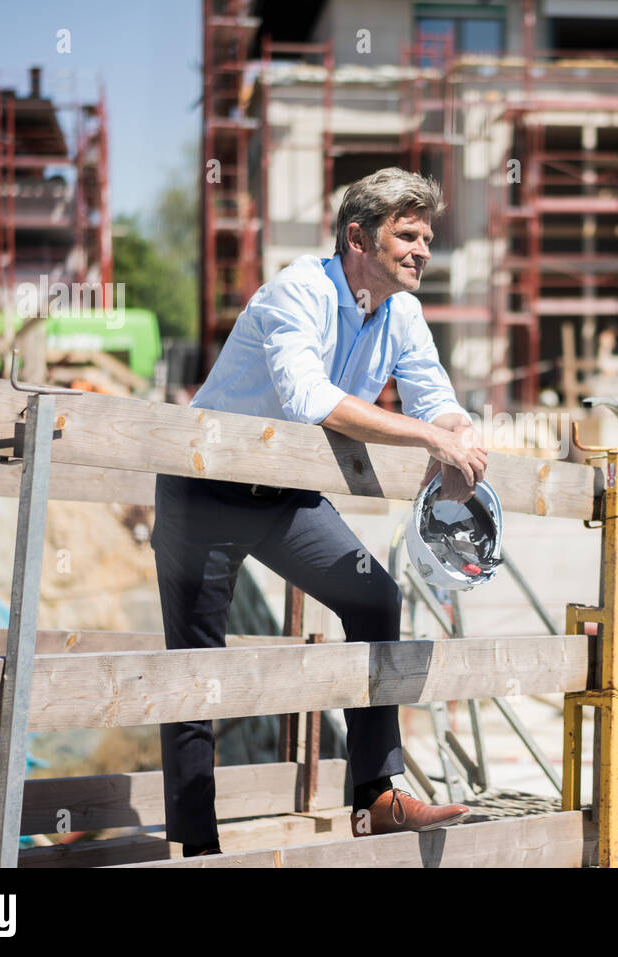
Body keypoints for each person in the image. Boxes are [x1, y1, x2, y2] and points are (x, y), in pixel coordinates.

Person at [150, 168, 486, 856]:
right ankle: (197, 848)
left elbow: (436, 397)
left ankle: (376, 798)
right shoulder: (298, 290)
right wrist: (429, 437)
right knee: (196, 673)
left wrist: (461, 431)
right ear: (358, 237)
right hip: (203, 488)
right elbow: (311, 400)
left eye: (428, 237)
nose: (423, 249)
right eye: (408, 235)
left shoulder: (404, 314)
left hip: (283, 495)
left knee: (374, 596)